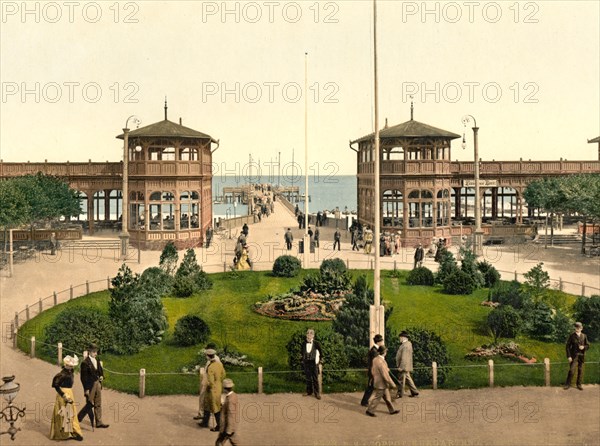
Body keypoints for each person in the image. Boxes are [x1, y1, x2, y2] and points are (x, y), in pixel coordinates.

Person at [50, 355, 83, 441]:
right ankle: (61, 434)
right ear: (65, 365)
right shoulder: (62, 374)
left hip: (70, 393)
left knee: (70, 413)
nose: (71, 367)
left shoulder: (70, 372)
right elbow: (56, 386)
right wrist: (63, 395)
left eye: (72, 366)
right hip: (63, 394)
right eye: (69, 365)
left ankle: (71, 432)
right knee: (63, 413)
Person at [77, 344, 109, 429]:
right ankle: (77, 419)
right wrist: (86, 389)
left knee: (98, 403)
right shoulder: (85, 363)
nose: (96, 354)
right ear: (89, 352)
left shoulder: (97, 360)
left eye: (96, 352)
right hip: (90, 386)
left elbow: (100, 370)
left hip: (97, 384)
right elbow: (83, 378)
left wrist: (102, 376)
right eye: (94, 352)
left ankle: (99, 422)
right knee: (89, 404)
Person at [366, 346, 399, 417]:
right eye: (386, 351)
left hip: (377, 381)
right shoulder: (381, 362)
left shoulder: (375, 359)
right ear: (384, 352)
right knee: (377, 398)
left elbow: (373, 370)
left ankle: (392, 410)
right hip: (381, 383)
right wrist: (393, 384)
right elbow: (385, 375)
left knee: (387, 398)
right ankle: (370, 411)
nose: (386, 353)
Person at [199, 348, 226, 431]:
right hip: (218, 386)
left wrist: (209, 386)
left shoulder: (210, 367)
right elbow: (224, 374)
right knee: (207, 405)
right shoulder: (219, 364)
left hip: (211, 389)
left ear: (208, 356)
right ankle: (205, 422)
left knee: (215, 407)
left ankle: (219, 426)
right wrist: (218, 381)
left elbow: (210, 381)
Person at [194, 343, 221, 421]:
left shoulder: (215, 361)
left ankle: (204, 415)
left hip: (210, 383)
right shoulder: (211, 359)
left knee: (207, 399)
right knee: (204, 398)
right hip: (207, 382)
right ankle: (202, 413)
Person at [564, 322, 590, 390]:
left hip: (581, 356)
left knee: (580, 370)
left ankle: (579, 384)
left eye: (578, 328)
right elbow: (567, 347)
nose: (577, 329)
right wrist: (569, 356)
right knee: (572, 370)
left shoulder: (584, 336)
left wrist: (583, 347)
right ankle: (567, 384)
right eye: (576, 327)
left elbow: (588, 345)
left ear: (581, 328)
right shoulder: (572, 336)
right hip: (574, 356)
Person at [360, 334, 384, 407]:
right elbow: (377, 361)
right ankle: (364, 401)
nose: (382, 342)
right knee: (371, 387)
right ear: (378, 342)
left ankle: (365, 401)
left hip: (374, 371)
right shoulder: (374, 350)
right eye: (381, 341)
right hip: (373, 371)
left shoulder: (375, 349)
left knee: (373, 387)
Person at [215, 379, 239, 446]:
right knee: (235, 442)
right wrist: (223, 405)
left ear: (224, 389)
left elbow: (231, 414)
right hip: (231, 426)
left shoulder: (230, 399)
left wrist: (229, 430)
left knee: (219, 443)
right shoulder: (234, 395)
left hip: (227, 427)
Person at [395, 331, 419, 398]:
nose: (399, 339)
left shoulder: (405, 345)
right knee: (408, 378)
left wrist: (401, 367)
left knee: (401, 380)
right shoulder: (408, 344)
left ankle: (400, 394)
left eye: (400, 337)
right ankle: (415, 392)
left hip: (403, 366)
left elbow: (404, 358)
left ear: (403, 337)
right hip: (406, 366)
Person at [302, 329, 322, 400]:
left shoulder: (316, 343)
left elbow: (321, 352)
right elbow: (302, 352)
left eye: (311, 334)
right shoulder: (304, 343)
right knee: (308, 378)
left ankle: (317, 393)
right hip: (307, 363)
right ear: (306, 335)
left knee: (315, 379)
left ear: (313, 335)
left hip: (314, 363)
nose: (309, 335)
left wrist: (319, 361)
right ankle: (309, 392)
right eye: (308, 333)